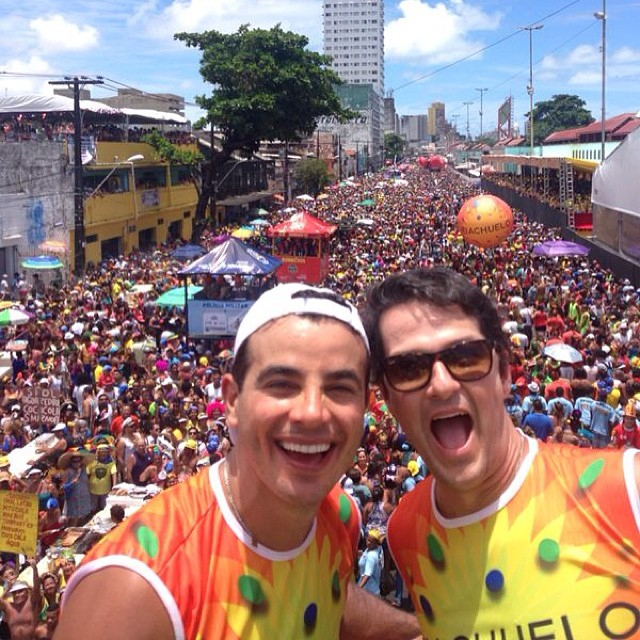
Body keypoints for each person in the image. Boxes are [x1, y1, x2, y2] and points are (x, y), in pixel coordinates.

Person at [55, 283, 420, 640]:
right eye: (282, 384)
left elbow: (334, 599)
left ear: (364, 408)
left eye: (340, 388)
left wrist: (426, 630)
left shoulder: (336, 515)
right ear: (232, 402)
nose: (311, 412)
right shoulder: (136, 589)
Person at [362, 267, 640, 638]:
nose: (442, 384)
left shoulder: (627, 489)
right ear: (387, 398)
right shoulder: (406, 532)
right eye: (409, 368)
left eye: (466, 357)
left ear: (504, 373)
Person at [0, 559, 41, 640]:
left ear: (26, 591)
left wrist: (34, 569)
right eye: (14, 592)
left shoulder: (31, 602)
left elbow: (37, 587)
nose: (17, 594)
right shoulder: (9, 607)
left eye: (20, 591)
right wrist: (8, 588)